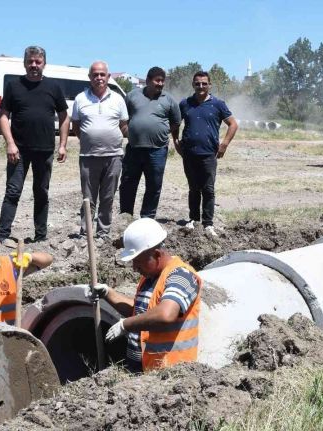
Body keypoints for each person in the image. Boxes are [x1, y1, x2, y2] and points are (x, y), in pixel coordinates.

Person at [85, 218, 202, 372]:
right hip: (145, 370)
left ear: (157, 254)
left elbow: (165, 315)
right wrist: (108, 293)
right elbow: (140, 313)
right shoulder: (150, 277)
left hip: (170, 374)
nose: (134, 268)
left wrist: (125, 325)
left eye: (138, 261)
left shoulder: (182, 276)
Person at [0, 46, 70, 246]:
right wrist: (10, 143)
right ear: (24, 63)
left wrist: (63, 144)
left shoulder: (53, 88)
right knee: (13, 191)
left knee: (41, 193)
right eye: (30, 61)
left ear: (44, 64)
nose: (34, 65)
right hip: (18, 151)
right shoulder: (13, 86)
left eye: (38, 62)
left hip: (44, 151)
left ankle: (40, 236)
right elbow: (3, 116)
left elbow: (64, 117)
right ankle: (3, 235)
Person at [70, 61, 128, 243]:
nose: (99, 78)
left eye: (102, 74)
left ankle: (103, 233)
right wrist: (90, 140)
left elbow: (124, 125)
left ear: (108, 77)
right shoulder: (80, 99)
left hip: (113, 157)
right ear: (90, 77)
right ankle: (85, 232)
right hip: (88, 157)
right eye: (95, 74)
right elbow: (76, 126)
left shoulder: (118, 99)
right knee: (88, 198)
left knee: (108, 197)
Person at [178, 71, 238, 236]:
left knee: (208, 189)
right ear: (193, 85)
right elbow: (175, 124)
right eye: (197, 83)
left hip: (209, 154)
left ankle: (208, 224)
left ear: (209, 85)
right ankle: (193, 220)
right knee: (193, 188)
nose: (201, 86)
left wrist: (224, 144)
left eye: (204, 83)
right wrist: (176, 142)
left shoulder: (218, 104)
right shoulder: (185, 104)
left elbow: (233, 124)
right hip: (189, 153)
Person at [118, 67, 181, 219]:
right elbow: (123, 118)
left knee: (154, 185)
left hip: (157, 151)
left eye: (162, 81)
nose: (160, 83)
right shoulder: (132, 96)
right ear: (147, 80)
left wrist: (162, 132)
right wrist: (129, 133)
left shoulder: (169, 99)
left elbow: (176, 122)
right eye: (157, 80)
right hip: (134, 149)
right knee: (127, 183)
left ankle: (147, 217)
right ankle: (126, 216)